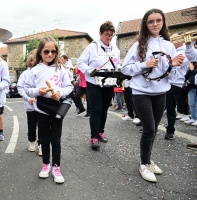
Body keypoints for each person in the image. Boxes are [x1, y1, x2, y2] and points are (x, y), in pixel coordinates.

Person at [121, 8, 184, 183]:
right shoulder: (138, 45)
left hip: (161, 92)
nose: (155, 24)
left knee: (154, 129)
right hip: (141, 92)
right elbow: (125, 69)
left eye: (158, 20)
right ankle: (143, 163)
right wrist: (144, 64)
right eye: (151, 21)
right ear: (145, 24)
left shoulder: (169, 45)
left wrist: (173, 65)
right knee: (149, 128)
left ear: (163, 22)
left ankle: (148, 159)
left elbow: (168, 74)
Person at [24, 36, 73, 183]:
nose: (50, 55)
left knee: (56, 140)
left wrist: (60, 93)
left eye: (53, 51)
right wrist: (39, 92)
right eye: (46, 51)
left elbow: (69, 87)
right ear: (40, 52)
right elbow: (27, 90)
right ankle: (46, 165)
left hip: (57, 109)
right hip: (42, 109)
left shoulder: (61, 69)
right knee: (44, 140)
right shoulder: (34, 71)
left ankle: (56, 167)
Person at [77, 21, 121, 149]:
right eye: (106, 34)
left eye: (111, 35)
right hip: (94, 83)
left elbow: (117, 64)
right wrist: (90, 70)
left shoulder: (115, 48)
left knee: (104, 109)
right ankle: (94, 137)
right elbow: (80, 62)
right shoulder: (92, 47)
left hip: (109, 83)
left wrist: (119, 70)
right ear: (100, 33)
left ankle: (101, 131)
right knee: (96, 109)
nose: (109, 37)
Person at [17, 49, 42, 156]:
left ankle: (41, 145)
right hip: (30, 106)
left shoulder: (42, 72)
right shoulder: (25, 74)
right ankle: (32, 142)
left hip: (42, 106)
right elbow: (20, 87)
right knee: (31, 125)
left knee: (42, 126)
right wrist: (28, 98)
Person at [164, 38, 190, 139]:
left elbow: (177, 64)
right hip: (165, 81)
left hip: (175, 83)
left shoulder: (184, 52)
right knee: (157, 105)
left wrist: (168, 61)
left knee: (171, 107)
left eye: (173, 39)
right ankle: (151, 128)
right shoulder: (171, 51)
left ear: (179, 41)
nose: (171, 41)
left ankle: (170, 130)